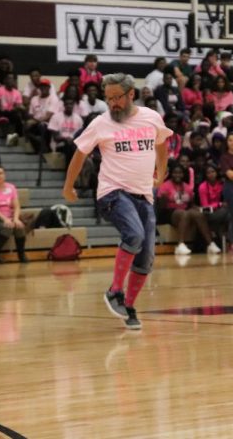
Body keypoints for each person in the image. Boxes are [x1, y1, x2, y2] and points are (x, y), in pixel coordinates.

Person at [62, 73, 171, 331]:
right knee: (134, 235)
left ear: (131, 94)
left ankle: (128, 306)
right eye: (108, 99)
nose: (112, 104)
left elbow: (162, 145)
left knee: (145, 259)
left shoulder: (151, 117)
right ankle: (114, 290)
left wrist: (162, 171)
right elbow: (79, 155)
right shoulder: (100, 123)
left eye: (117, 98)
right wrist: (68, 186)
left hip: (143, 194)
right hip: (113, 193)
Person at [157, 164, 218, 255]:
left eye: (180, 173)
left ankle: (210, 244)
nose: (177, 175)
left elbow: (191, 204)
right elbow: (161, 206)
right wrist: (164, 199)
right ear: (171, 174)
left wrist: (198, 209)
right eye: (175, 173)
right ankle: (180, 244)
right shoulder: (165, 186)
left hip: (184, 210)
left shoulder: (187, 187)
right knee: (184, 213)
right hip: (168, 212)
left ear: (183, 174)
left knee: (198, 214)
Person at [0, 165, 33, 264]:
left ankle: (21, 254)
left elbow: (16, 206)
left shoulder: (11, 187)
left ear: (4, 175)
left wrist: (16, 219)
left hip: (9, 217)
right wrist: (5, 219)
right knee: (7, 227)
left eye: (0, 173)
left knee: (19, 226)